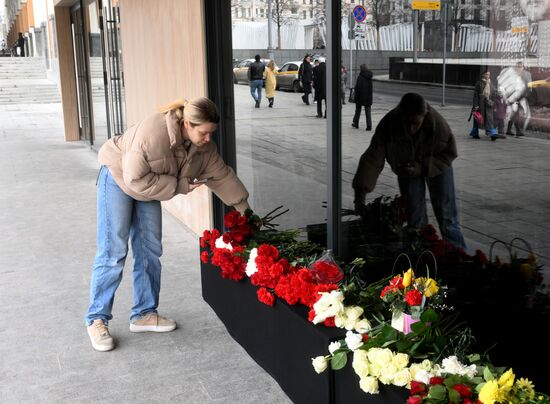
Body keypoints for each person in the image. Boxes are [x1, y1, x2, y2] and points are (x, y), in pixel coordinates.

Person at [85, 97, 250, 352]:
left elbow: (222, 176)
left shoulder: (202, 148)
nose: (208, 139)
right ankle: (97, 318)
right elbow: (135, 178)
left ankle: (143, 314)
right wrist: (180, 186)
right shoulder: (153, 132)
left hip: (149, 186)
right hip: (119, 178)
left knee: (150, 249)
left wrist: (246, 212)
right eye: (204, 132)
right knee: (113, 251)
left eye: (211, 133)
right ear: (187, 124)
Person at [352, 93, 466, 250]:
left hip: (438, 166)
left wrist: (422, 167)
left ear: (424, 115)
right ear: (400, 114)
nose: (411, 129)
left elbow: (449, 153)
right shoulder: (389, 124)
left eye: (415, 124)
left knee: (448, 219)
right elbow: (372, 159)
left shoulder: (437, 124)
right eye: (407, 124)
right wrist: (360, 196)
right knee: (415, 220)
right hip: (406, 168)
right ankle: (421, 256)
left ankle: (459, 258)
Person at [470, 71, 504, 140]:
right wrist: (475, 105)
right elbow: (475, 95)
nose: (488, 75)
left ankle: (492, 133)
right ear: (483, 75)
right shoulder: (479, 83)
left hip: (488, 104)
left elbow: (494, 93)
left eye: (489, 74)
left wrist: (498, 95)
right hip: (480, 105)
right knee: (478, 119)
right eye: (486, 74)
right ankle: (475, 133)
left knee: (489, 120)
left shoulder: (491, 83)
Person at [351, 64, 373, 131]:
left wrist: (355, 96)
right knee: (368, 112)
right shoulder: (369, 77)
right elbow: (371, 88)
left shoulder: (360, 77)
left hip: (360, 97)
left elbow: (358, 87)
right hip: (368, 97)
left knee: (358, 111)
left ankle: (356, 123)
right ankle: (369, 126)